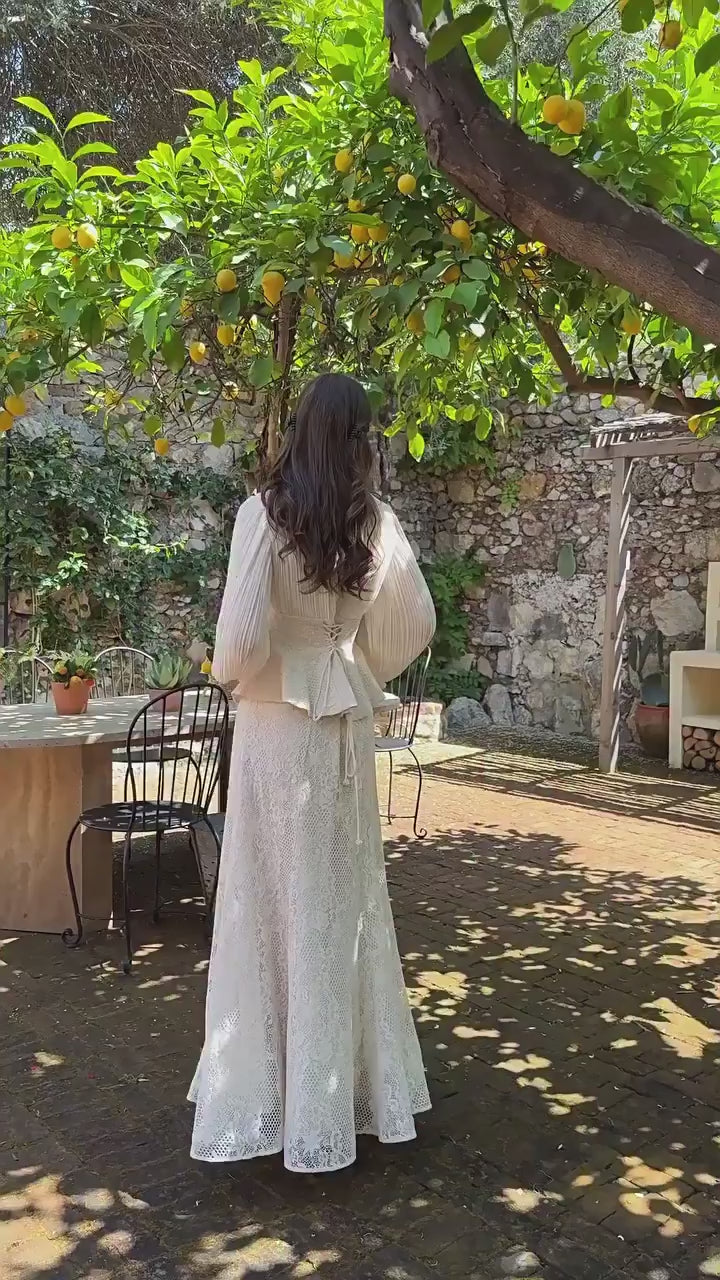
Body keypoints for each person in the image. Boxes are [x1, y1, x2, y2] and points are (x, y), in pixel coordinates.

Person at [189, 372, 436, 1173]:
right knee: (341, 901)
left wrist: (245, 676)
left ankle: (269, 1090)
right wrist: (354, 661)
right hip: (342, 727)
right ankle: (342, 1092)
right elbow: (416, 622)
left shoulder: (263, 515)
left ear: (298, 429)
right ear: (362, 437)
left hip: (275, 726)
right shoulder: (377, 522)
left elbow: (236, 642)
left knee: (266, 899)